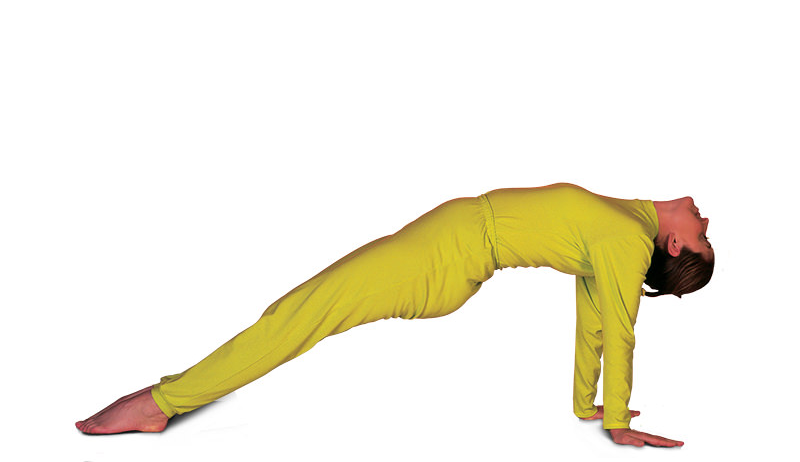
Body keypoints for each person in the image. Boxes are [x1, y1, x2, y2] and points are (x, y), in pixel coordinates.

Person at [75, 183, 714, 447]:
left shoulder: (626, 242)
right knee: (297, 310)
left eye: (703, 236)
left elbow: (617, 329)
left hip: (441, 260)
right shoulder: (627, 224)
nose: (705, 219)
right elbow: (593, 316)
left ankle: (161, 403)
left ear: (674, 247)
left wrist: (614, 419)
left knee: (299, 314)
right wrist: (586, 405)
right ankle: (178, 392)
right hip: (444, 244)